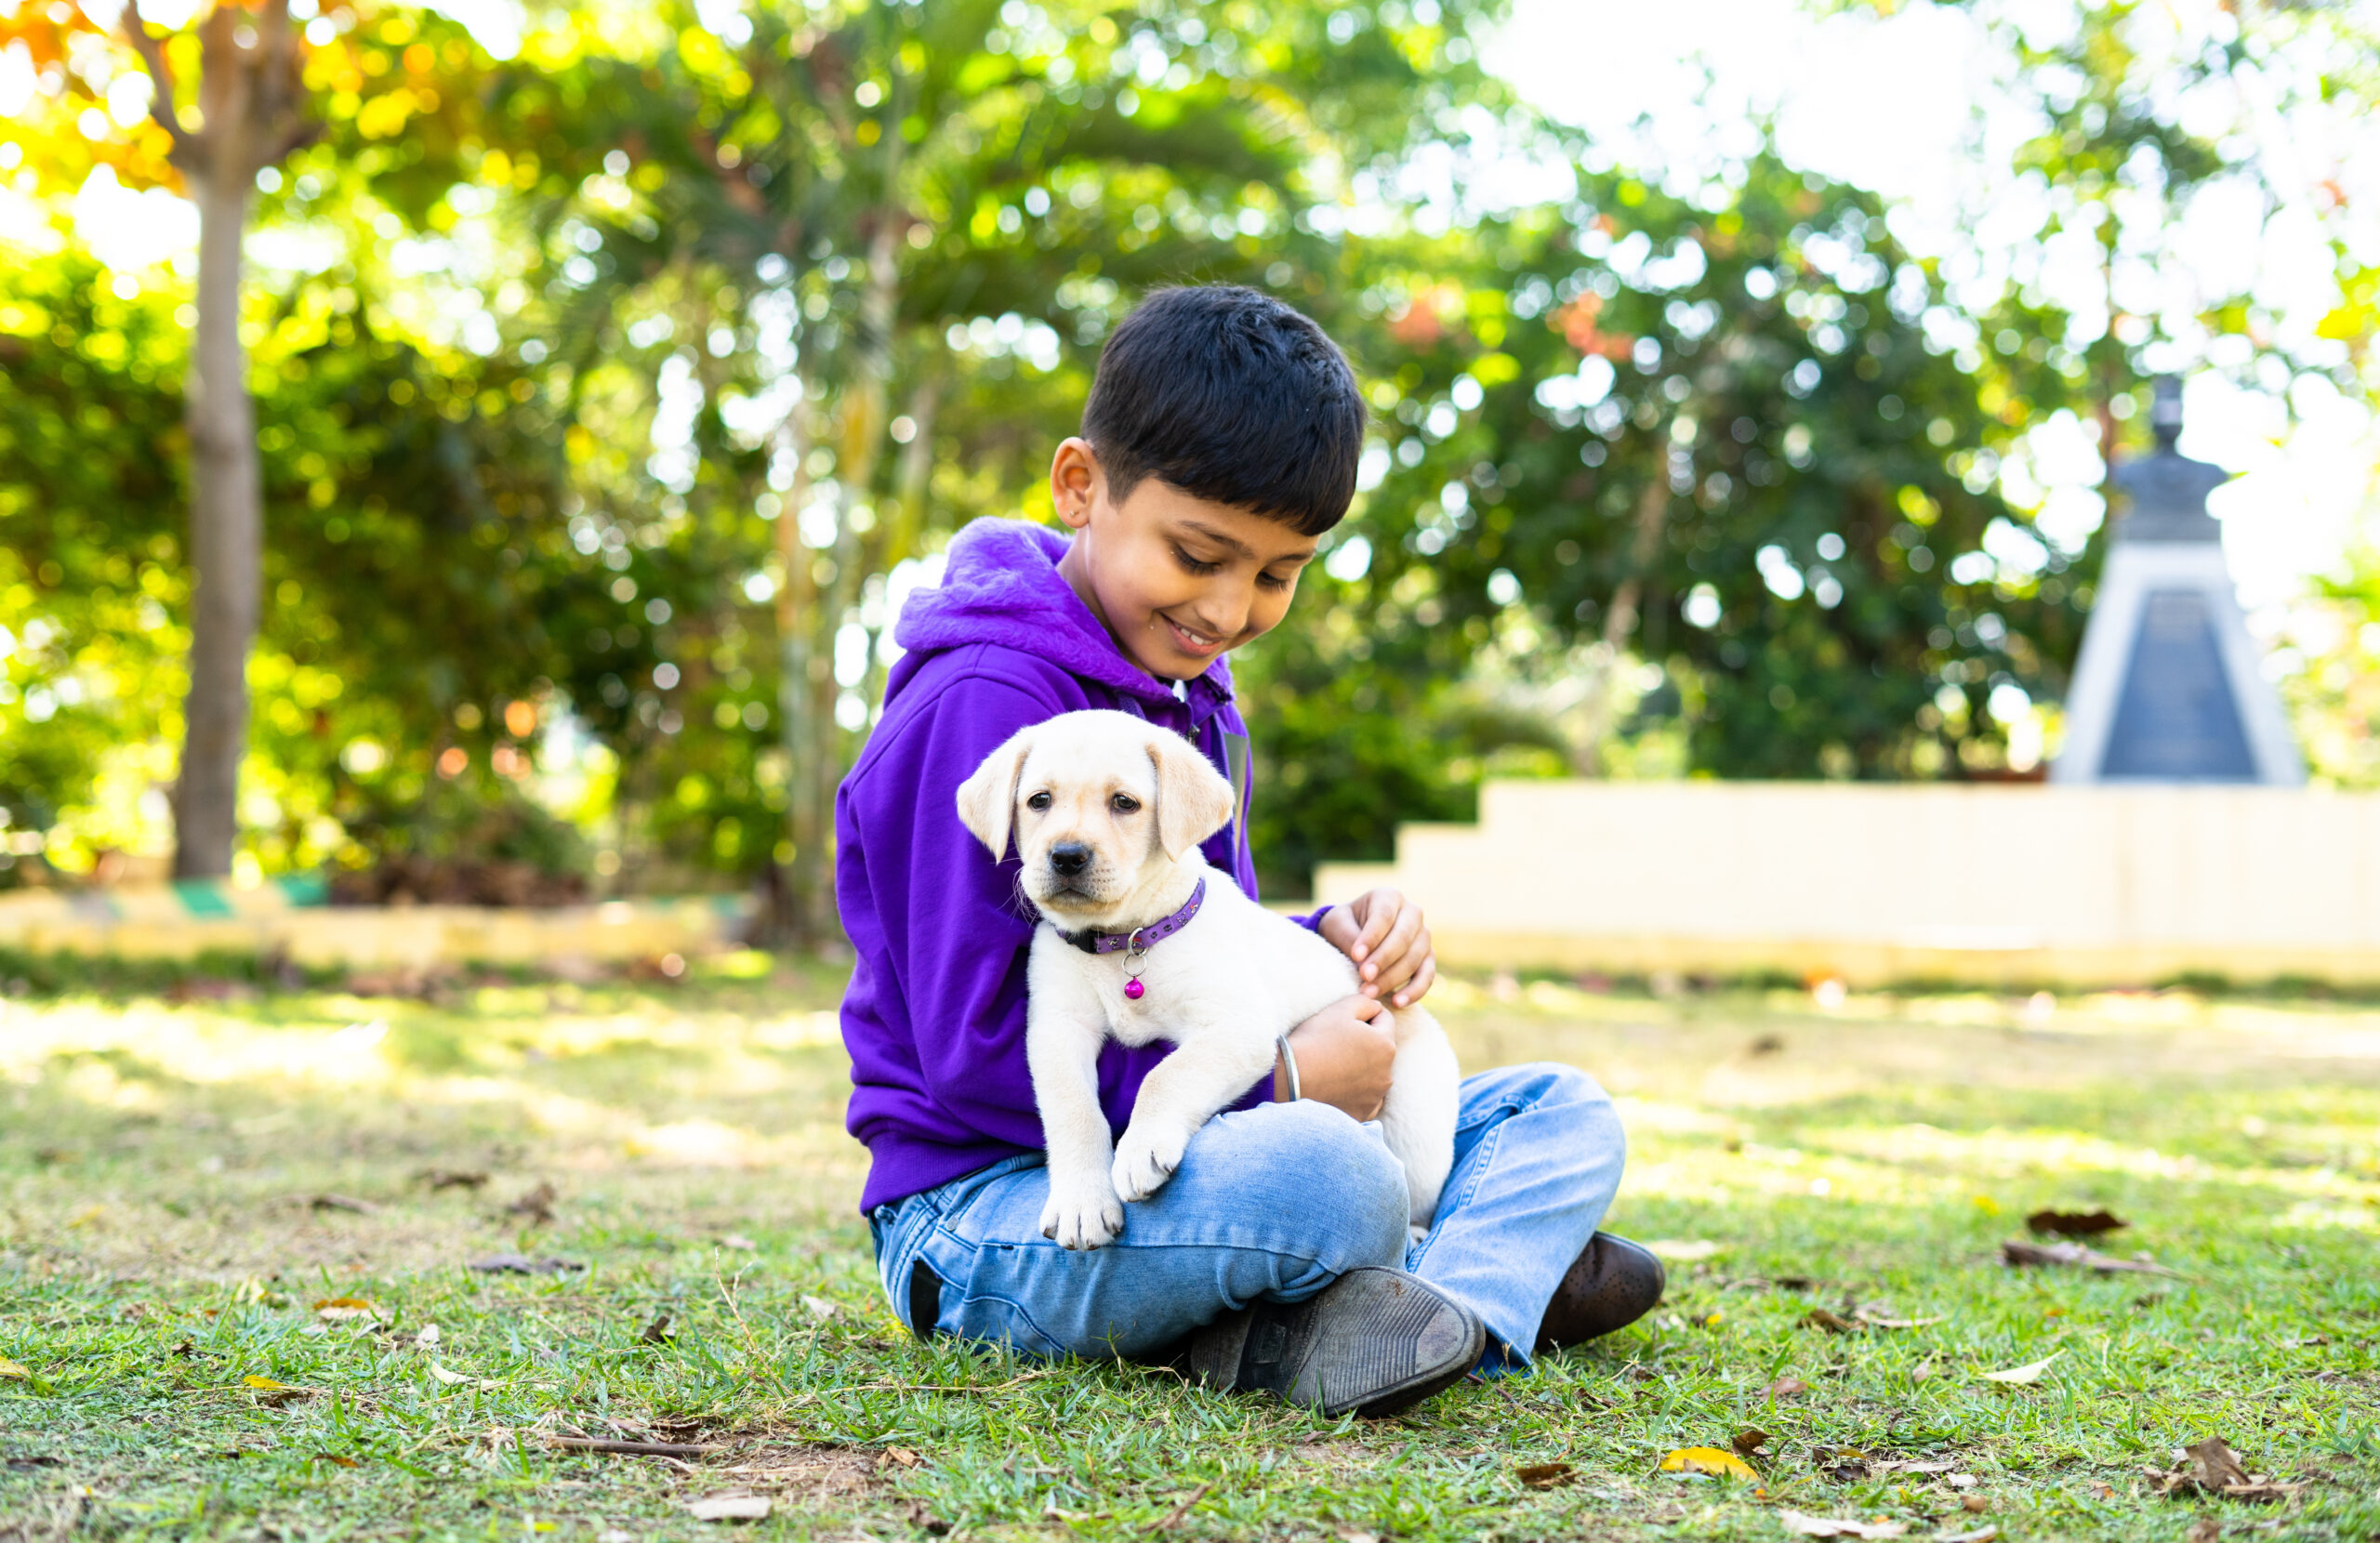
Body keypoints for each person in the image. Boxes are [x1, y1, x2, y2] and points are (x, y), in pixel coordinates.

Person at [837, 284, 1663, 1418]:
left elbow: (1198, 946)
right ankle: (1456, 1275)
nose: (1229, 610)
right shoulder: (986, 708)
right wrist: (1284, 1080)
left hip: (1198, 1143)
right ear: (1081, 487)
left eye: (1276, 574)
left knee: (1558, 1111)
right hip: (998, 1204)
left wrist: (1325, 942)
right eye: (1199, 554)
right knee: (1327, 1174)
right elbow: (971, 1055)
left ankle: (1424, 1312)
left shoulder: (1187, 701)